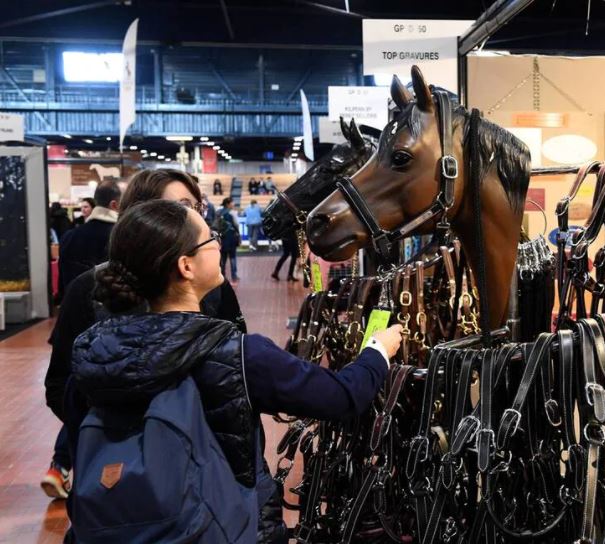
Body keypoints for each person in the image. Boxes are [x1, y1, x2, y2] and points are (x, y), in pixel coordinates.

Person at [63, 199, 403, 542]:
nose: (218, 242)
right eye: (209, 237)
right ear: (186, 266)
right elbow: (342, 396)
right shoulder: (237, 354)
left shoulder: (93, 355)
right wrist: (378, 350)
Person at [42, 168, 247, 501]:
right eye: (181, 207)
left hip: (206, 474)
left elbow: (237, 375)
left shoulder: (213, 289)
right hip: (116, 485)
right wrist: (115, 436)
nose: (194, 219)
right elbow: (59, 385)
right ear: (144, 217)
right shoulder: (88, 291)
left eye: (196, 207)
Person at [57, 183, 121, 303]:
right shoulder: (123, 237)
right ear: (115, 204)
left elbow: (62, 282)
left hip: (75, 309)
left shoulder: (69, 236)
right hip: (112, 314)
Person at [216, 197, 240, 282]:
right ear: (228, 204)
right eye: (232, 202)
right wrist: (239, 237)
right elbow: (236, 225)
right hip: (231, 238)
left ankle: (222, 277)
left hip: (222, 239)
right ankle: (234, 276)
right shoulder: (232, 213)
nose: (233, 204)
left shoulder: (218, 212)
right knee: (233, 258)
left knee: (223, 259)